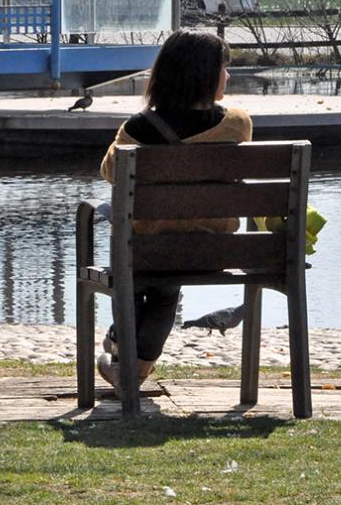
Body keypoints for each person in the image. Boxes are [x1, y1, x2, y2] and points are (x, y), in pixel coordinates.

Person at [96, 28, 252, 394]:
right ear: (206, 76)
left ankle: (123, 358)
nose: (227, 76)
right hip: (212, 252)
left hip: (144, 253)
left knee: (137, 278)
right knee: (166, 291)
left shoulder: (136, 129)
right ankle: (128, 368)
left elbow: (108, 172)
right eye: (223, 68)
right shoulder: (237, 124)